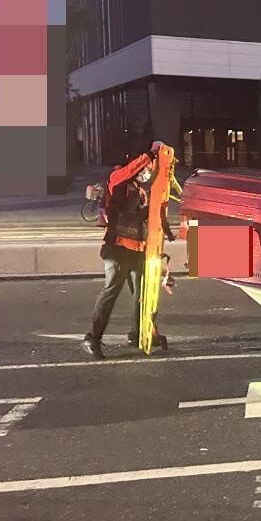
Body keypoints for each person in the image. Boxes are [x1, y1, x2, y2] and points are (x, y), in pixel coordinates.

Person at [82, 143, 175, 359]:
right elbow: (130, 170)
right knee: (111, 293)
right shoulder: (118, 179)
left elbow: (152, 215)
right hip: (118, 249)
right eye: (143, 169)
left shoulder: (140, 190)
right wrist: (150, 155)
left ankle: (139, 334)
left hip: (138, 250)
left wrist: (167, 234)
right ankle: (92, 338)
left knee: (144, 295)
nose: (146, 172)